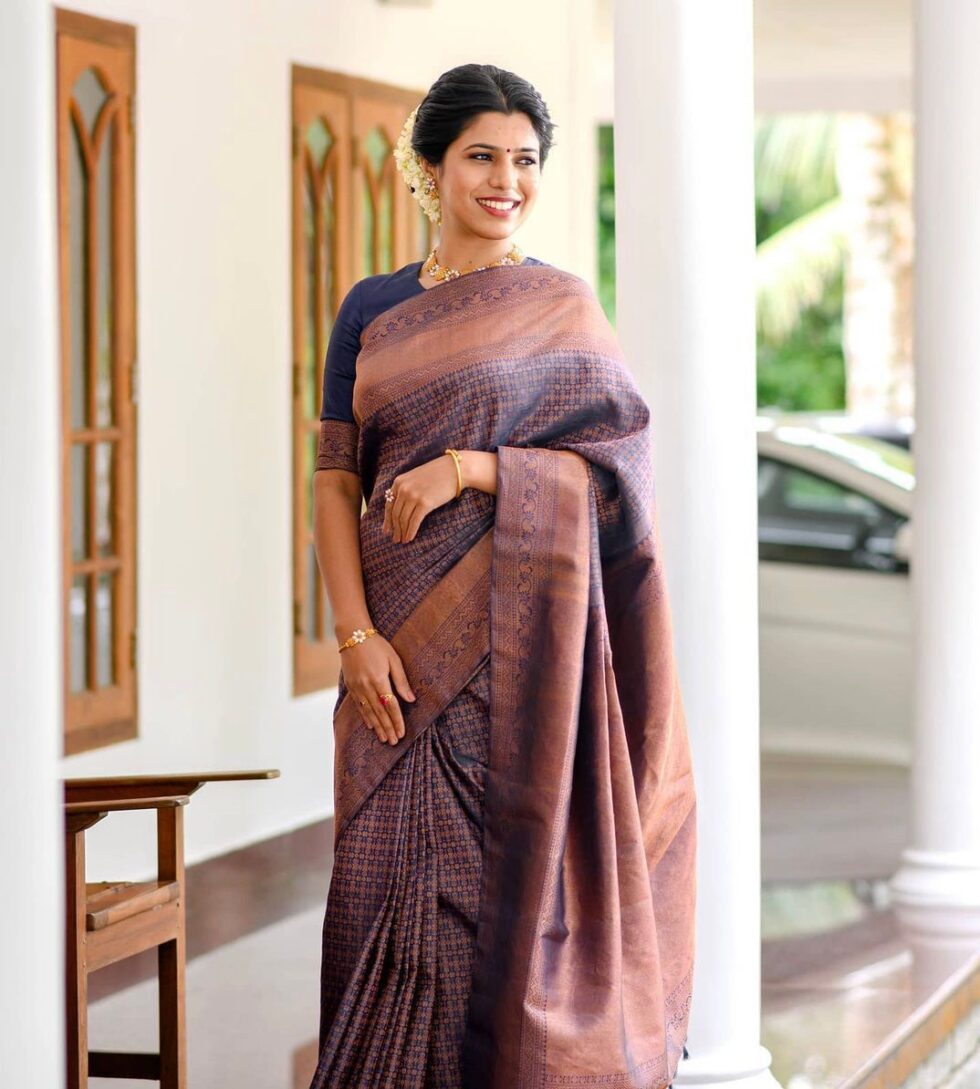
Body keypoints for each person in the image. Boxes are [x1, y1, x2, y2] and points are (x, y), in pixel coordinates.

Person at [309, 62, 696, 1089]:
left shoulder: (561, 307)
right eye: (481, 156)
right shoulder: (371, 309)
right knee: (379, 895)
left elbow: (616, 476)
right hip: (394, 651)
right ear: (429, 167)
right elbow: (333, 481)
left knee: (499, 905)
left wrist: (471, 468)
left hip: (516, 655)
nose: (505, 181)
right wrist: (354, 638)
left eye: (524, 160)